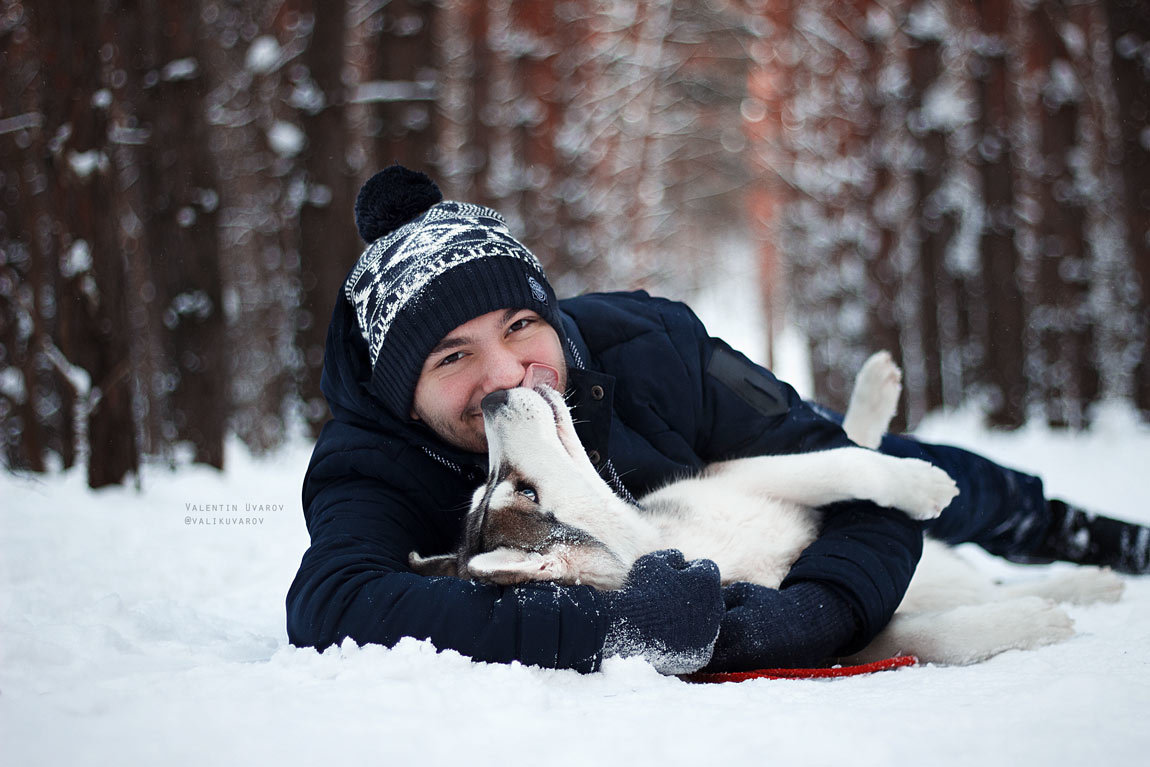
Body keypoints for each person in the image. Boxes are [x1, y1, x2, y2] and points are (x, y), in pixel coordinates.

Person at [286, 165, 1150, 674]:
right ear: (404, 395)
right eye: (452, 357)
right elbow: (334, 602)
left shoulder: (654, 344)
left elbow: (822, 458)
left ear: (548, 312)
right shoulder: (370, 458)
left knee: (895, 466)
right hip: (684, 564)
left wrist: (818, 612)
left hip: (746, 502)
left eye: (519, 325)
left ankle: (1074, 527)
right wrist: (618, 628)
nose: (508, 373)